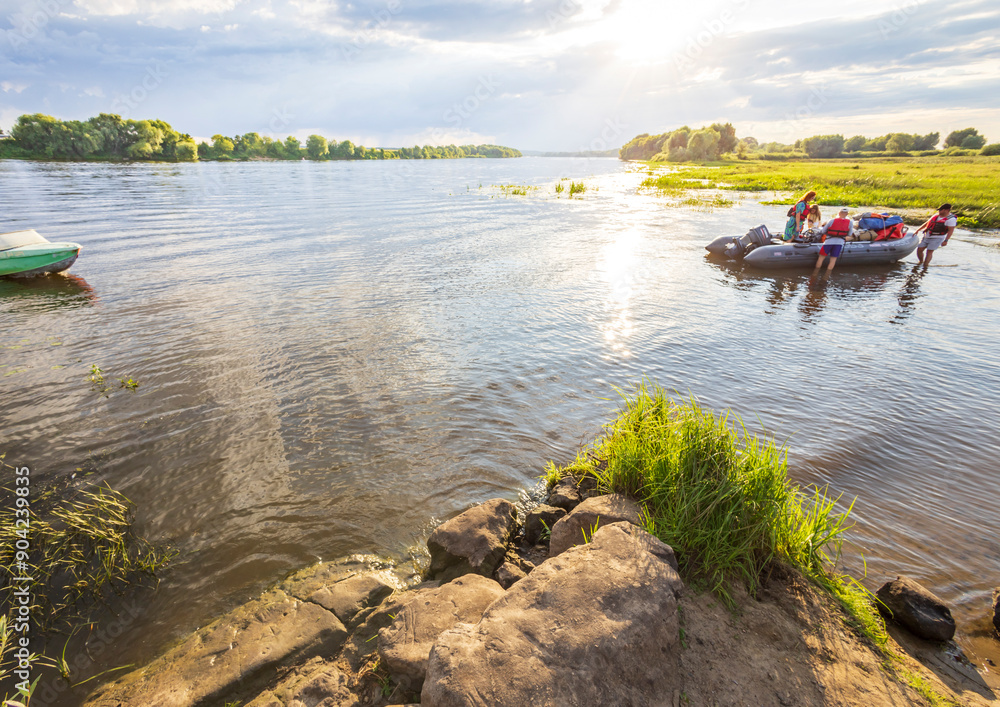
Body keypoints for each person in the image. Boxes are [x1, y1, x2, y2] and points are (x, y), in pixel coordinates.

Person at [813, 207, 852, 273]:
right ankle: (827, 276)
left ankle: (815, 274)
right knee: (833, 260)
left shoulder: (832, 220)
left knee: (821, 258)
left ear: (839, 213)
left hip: (828, 242)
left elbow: (823, 231)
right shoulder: (850, 222)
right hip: (839, 243)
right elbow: (849, 233)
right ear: (847, 214)